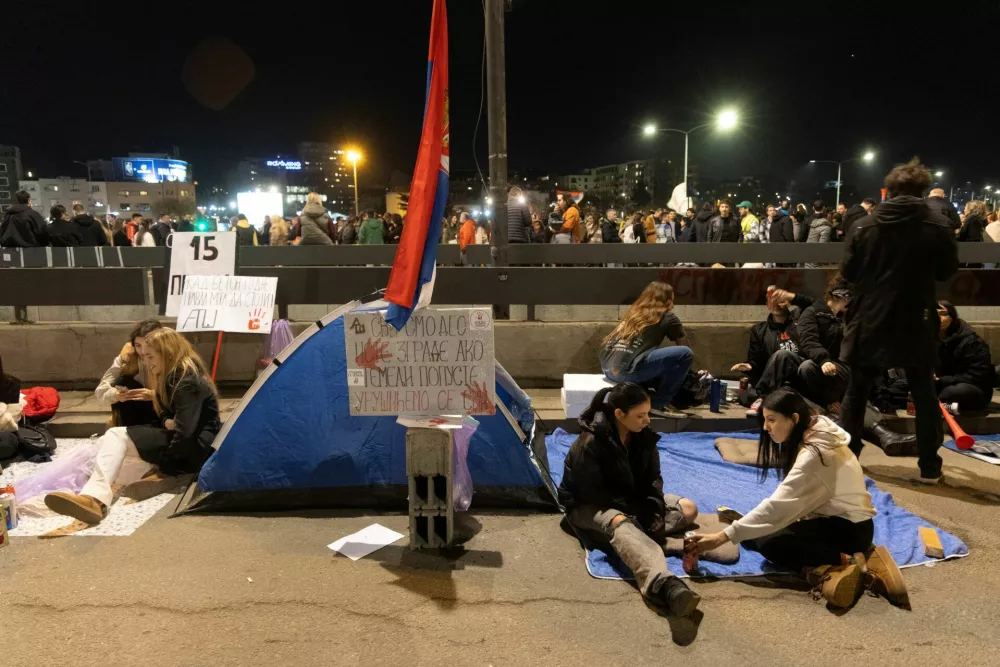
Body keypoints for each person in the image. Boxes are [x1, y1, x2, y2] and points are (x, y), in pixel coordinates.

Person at [689, 388, 906, 609]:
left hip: (850, 531)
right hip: (841, 522)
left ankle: (849, 563)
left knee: (769, 543)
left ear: (793, 419)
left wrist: (721, 537)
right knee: (762, 531)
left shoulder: (815, 453)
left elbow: (777, 507)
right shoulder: (814, 430)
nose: (765, 427)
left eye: (771, 420)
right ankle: (844, 561)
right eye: (765, 420)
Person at [839, 159, 959, 484]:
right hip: (916, 317)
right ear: (922, 191)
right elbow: (946, 271)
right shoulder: (937, 226)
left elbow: (849, 272)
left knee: (857, 392)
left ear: (889, 191)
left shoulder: (864, 225)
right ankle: (929, 468)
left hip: (870, 316)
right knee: (923, 392)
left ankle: (847, 463)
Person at [45, 328, 222, 525]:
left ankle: (95, 499)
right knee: (108, 447)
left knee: (116, 436)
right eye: (144, 356)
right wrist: (167, 421)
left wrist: (168, 465)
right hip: (186, 444)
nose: (146, 362)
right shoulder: (177, 375)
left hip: (194, 449)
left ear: (168, 354)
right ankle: (108, 491)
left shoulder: (186, 381)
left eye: (150, 356)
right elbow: (167, 413)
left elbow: (185, 433)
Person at [559, 382, 701, 616]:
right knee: (618, 521)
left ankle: (630, 537)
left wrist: (653, 508)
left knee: (688, 508)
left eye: (648, 414)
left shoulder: (642, 436)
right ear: (619, 414)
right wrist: (636, 511)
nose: (647, 421)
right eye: (640, 416)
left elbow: (654, 479)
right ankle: (664, 585)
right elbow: (591, 493)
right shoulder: (590, 442)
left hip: (631, 499)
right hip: (588, 505)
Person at [599, 281, 694, 413]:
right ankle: (660, 402)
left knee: (655, 362)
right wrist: (695, 373)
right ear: (667, 299)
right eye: (672, 298)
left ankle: (645, 397)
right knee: (685, 353)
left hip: (608, 371)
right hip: (627, 373)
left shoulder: (633, 314)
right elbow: (684, 348)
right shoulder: (668, 317)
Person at [731, 286, 811, 407]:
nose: (775, 303)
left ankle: (761, 396)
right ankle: (766, 397)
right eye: (770, 300)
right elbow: (755, 360)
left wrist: (793, 297)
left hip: (800, 375)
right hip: (777, 382)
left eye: (777, 298)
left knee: (782, 355)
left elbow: (816, 305)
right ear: (767, 305)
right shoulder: (759, 331)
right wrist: (749, 366)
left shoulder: (800, 319)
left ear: (786, 301)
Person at [95, 319, 163, 427]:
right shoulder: (127, 358)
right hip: (138, 410)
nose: (142, 351)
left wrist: (153, 396)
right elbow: (100, 391)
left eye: (148, 345)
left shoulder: (169, 357)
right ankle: (128, 431)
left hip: (165, 410)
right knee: (122, 381)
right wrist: (117, 395)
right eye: (138, 345)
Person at [936, 301, 995, 412]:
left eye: (943, 314)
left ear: (952, 317)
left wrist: (942, 379)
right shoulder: (932, 338)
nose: (939, 318)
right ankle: (942, 405)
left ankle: (939, 404)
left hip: (973, 387)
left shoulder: (971, 341)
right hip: (942, 383)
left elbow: (977, 375)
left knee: (950, 392)